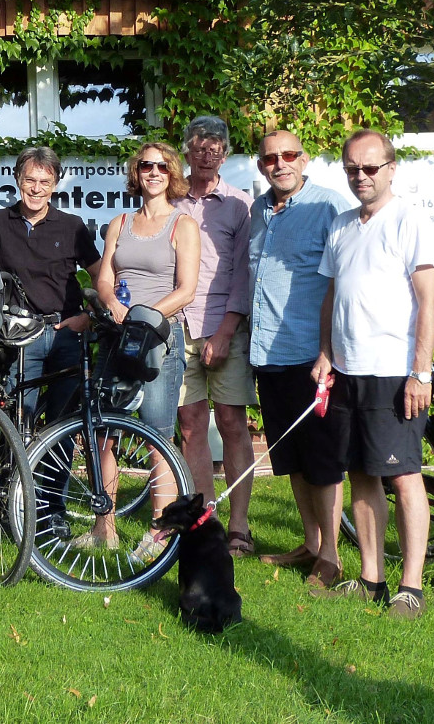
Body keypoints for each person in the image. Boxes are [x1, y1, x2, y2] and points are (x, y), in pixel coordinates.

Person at [310, 129, 434, 620]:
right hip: (346, 371)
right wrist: (325, 352)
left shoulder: (411, 222)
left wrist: (421, 372)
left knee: (405, 476)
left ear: (390, 169)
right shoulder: (342, 226)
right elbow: (332, 296)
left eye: (369, 168)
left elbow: (429, 299)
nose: (360, 176)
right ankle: (370, 579)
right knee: (362, 474)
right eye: (351, 168)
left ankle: (411, 588)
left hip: (394, 372)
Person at [0, 146, 101, 539]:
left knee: (62, 427)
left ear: (56, 185)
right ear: (17, 180)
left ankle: (52, 510)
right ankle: (14, 509)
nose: (37, 188)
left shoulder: (73, 224)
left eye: (45, 182)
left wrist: (88, 317)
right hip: (20, 338)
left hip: (65, 335)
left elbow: (100, 275)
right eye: (30, 180)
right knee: (18, 424)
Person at [248, 130, 352, 589]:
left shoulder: (326, 206)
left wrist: (329, 352)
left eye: (288, 155)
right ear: (261, 164)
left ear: (304, 159)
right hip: (268, 354)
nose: (280, 163)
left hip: (313, 357)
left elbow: (342, 281)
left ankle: (331, 556)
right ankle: (309, 543)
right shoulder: (258, 210)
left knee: (322, 460)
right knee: (289, 458)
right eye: (271, 157)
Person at [90, 142, 199, 558]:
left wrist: (144, 315)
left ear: (172, 173)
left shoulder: (182, 225)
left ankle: (158, 532)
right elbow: (105, 278)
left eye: (161, 166)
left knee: (158, 436)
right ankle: (105, 528)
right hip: (118, 337)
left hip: (159, 339)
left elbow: (186, 290)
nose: (153, 172)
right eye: (145, 166)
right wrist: (114, 305)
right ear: (136, 173)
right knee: (105, 433)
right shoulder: (119, 222)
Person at [174, 115, 257, 557]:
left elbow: (244, 274)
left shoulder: (240, 205)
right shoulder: (170, 199)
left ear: (225, 154)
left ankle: (240, 527)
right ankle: (206, 520)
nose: (207, 154)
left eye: (215, 148)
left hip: (224, 326)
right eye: (199, 146)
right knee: (189, 427)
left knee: (231, 424)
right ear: (185, 150)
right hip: (178, 327)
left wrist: (226, 330)